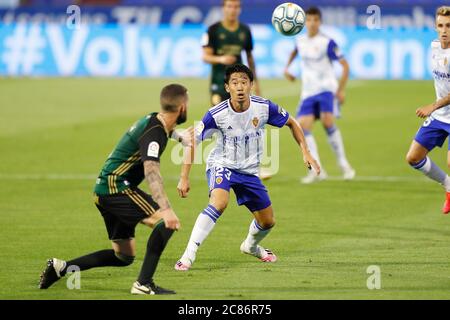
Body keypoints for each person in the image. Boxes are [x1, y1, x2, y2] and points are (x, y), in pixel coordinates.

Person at [39, 84, 192, 294]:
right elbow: (151, 172)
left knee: (124, 256)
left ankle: (61, 268)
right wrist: (165, 209)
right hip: (116, 187)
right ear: (182, 107)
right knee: (165, 223)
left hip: (103, 190)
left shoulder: (154, 120)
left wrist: (179, 137)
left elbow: (163, 129)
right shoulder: (155, 133)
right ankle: (143, 283)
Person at [173, 64, 320, 271]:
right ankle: (188, 255)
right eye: (235, 83)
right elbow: (192, 142)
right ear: (227, 87)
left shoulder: (264, 107)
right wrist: (184, 177)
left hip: (249, 171)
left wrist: (306, 151)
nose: (240, 87)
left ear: (251, 85)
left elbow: (292, 123)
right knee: (219, 203)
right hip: (222, 164)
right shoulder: (216, 114)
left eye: (244, 82)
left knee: (268, 222)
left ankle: (250, 246)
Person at [284, 6, 355, 184]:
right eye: (309, 20)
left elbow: (345, 65)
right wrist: (287, 69)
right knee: (302, 128)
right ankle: (317, 171)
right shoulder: (300, 41)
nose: (312, 23)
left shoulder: (327, 42)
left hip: (326, 89)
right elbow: (294, 53)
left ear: (320, 22)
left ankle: (344, 165)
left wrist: (340, 90)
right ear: (304, 22)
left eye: (315, 20)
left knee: (327, 122)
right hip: (308, 92)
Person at [406, 6, 450, 213]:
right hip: (441, 116)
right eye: (440, 25)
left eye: (448, 26)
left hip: (439, 109)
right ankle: (448, 186)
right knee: (413, 158)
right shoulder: (434, 47)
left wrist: (432, 106)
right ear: (435, 27)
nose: (444, 30)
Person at [202, 0, 261, 106]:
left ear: (240, 9)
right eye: (229, 6)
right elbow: (205, 57)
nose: (233, 10)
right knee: (219, 118)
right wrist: (221, 59)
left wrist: (255, 82)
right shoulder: (213, 30)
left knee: (241, 118)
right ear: (223, 8)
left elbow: (250, 58)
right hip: (219, 83)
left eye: (236, 7)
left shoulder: (245, 30)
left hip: (240, 84)